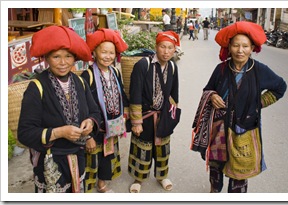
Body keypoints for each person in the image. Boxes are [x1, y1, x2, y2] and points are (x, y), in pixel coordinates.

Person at [191, 21, 287, 193]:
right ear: (229, 47)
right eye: (236, 45)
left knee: (240, 172)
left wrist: (259, 103)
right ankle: (215, 191)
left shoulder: (259, 70)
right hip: (219, 127)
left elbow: (281, 87)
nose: (240, 50)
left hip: (245, 129)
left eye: (245, 46)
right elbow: (207, 89)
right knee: (216, 166)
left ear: (252, 49)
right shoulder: (220, 69)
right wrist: (212, 96)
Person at [18, 26, 101, 193]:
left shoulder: (80, 82)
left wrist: (90, 123)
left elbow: (95, 112)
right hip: (50, 163)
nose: (63, 63)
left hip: (78, 157)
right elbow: (25, 133)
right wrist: (59, 132)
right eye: (56, 57)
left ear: (75, 58)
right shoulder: (37, 87)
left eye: (68, 56)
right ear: (46, 58)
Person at [128, 31, 180, 193]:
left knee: (162, 147)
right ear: (156, 47)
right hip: (144, 115)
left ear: (174, 50)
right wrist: (136, 122)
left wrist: (171, 117)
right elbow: (135, 93)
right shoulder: (143, 65)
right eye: (162, 47)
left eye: (170, 48)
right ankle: (138, 178)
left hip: (163, 115)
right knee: (142, 148)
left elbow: (174, 93)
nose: (166, 51)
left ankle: (162, 176)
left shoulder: (172, 66)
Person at [82, 28, 130, 193]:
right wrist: (87, 136)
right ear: (94, 52)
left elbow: (121, 94)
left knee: (107, 156)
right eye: (104, 52)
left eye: (111, 52)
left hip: (112, 125)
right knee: (91, 159)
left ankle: (102, 183)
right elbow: (82, 107)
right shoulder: (87, 76)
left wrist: (124, 115)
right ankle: (87, 189)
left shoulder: (115, 72)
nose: (108, 56)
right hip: (95, 127)